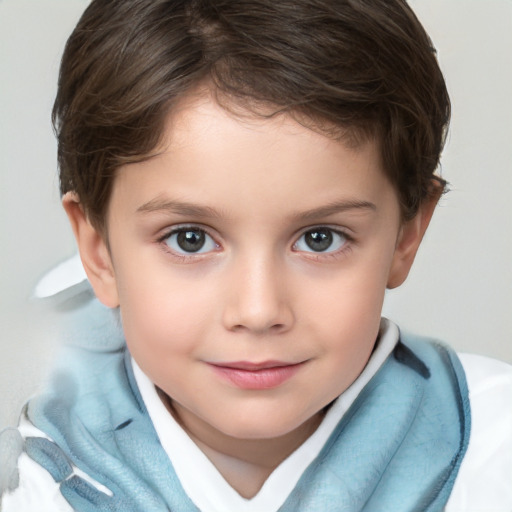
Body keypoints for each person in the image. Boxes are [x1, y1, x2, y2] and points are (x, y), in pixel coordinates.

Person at [1, 0, 511, 510]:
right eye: (190, 239)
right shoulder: (31, 478)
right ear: (98, 250)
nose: (258, 310)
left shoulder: (492, 451)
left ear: (406, 235)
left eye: (320, 239)